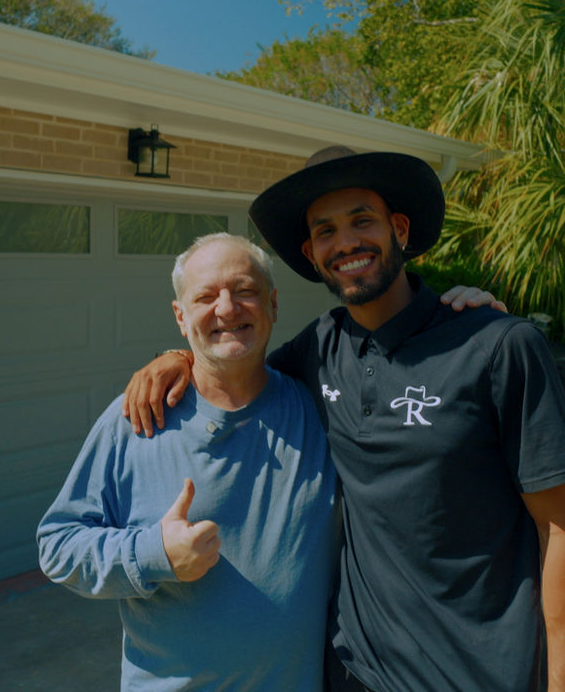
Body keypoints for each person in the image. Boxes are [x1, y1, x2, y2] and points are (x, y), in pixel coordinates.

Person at [124, 146, 565, 692]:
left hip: (480, 674)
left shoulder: (497, 348)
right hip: (352, 671)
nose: (345, 242)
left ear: (399, 228)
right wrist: (178, 356)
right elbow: (236, 370)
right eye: (325, 230)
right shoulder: (320, 348)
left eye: (362, 220)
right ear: (311, 252)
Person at [37, 233, 339, 691]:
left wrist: (472, 315)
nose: (226, 308)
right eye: (205, 297)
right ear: (180, 317)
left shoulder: (318, 411)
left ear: (273, 304)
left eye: (245, 291)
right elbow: (58, 545)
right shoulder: (136, 419)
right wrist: (153, 554)